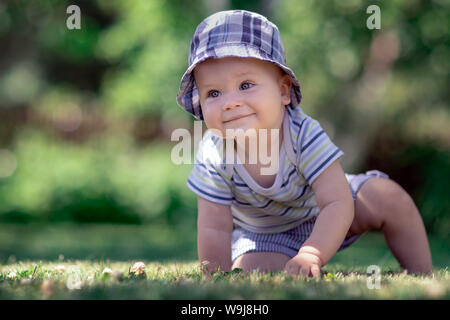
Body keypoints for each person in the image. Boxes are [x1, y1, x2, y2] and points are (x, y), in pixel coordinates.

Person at [176, 10, 432, 277]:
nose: (230, 102)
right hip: (266, 235)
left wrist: (313, 251)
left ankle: (423, 275)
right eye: (214, 92)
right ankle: (293, 263)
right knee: (253, 270)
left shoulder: (301, 133)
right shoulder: (214, 152)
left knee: (388, 197)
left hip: (325, 211)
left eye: (246, 84)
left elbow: (337, 201)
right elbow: (214, 226)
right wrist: (216, 276)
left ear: (283, 91)